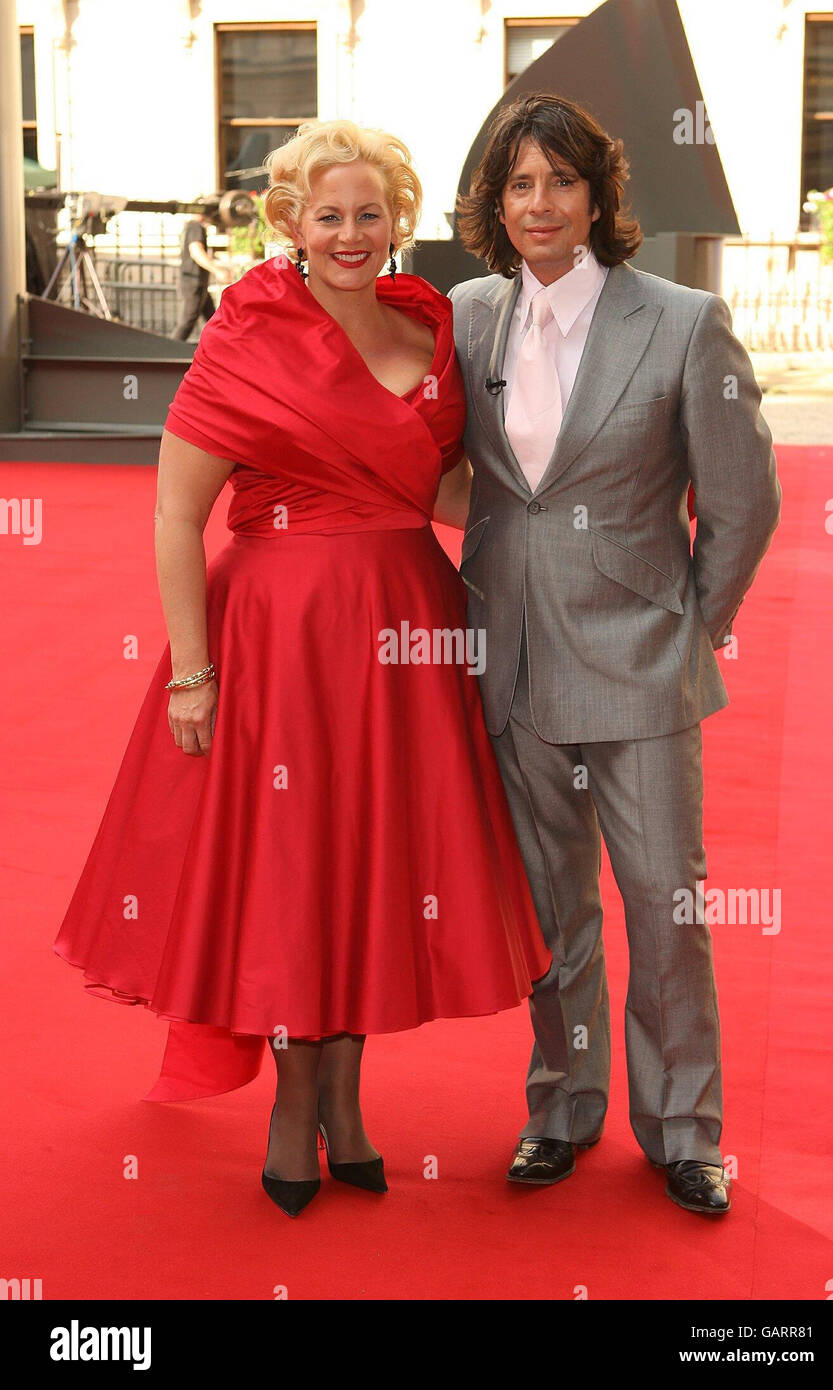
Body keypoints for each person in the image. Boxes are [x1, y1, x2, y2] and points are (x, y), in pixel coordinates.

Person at [53, 118, 552, 1219]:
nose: (350, 233)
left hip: (406, 629)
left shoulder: (429, 324)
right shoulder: (248, 333)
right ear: (288, 220)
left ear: (398, 220)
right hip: (279, 636)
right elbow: (178, 514)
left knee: (373, 862)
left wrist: (576, 511)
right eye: (327, 214)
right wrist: (192, 670)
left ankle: (346, 1102)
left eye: (370, 213)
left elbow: (441, 491)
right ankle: (293, 1111)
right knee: (292, 871)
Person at [448, 93, 781, 1215]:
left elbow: (742, 497)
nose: (539, 204)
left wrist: (693, 622)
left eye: (560, 181)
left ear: (599, 197)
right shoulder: (465, 315)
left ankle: (684, 1126)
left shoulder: (682, 320)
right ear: (497, 204)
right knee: (549, 906)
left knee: (664, 905)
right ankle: (561, 1103)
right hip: (513, 658)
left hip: (641, 662)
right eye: (519, 184)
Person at [170, 211, 231, 340]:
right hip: (193, 282)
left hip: (197, 282)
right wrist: (216, 270)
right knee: (187, 323)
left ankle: (222, 350)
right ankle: (165, 354)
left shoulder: (191, 226)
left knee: (214, 320)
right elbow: (195, 250)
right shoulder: (194, 226)